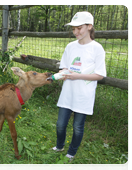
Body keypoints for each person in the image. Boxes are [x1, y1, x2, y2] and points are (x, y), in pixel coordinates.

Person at [52, 11, 106, 162]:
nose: (75, 32)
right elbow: (64, 67)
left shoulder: (97, 49)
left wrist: (77, 76)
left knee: (77, 127)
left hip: (84, 95)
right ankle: (59, 146)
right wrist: (61, 74)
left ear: (89, 26)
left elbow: (100, 75)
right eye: (73, 29)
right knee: (60, 125)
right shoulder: (70, 47)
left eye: (79, 28)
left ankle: (71, 153)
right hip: (68, 92)